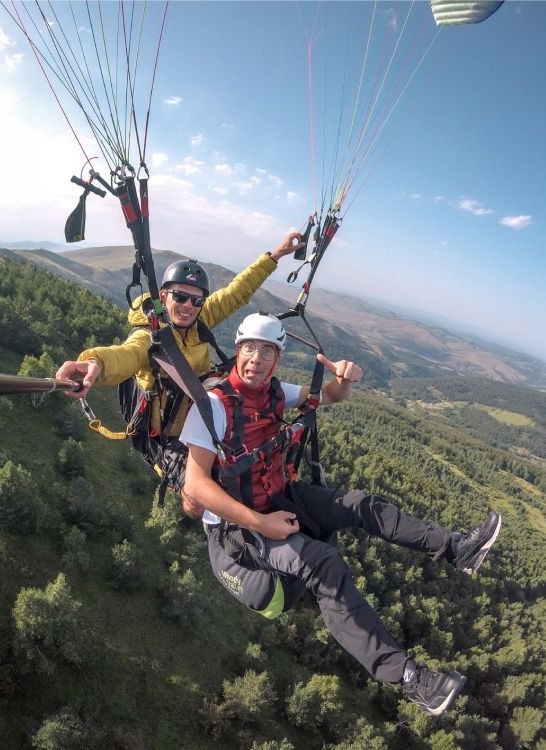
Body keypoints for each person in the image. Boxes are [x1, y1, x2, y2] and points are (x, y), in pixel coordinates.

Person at [180, 312, 502, 716]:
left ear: (276, 360)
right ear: (238, 350)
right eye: (249, 349)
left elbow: (330, 396)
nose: (256, 359)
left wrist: (345, 379)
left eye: (268, 352)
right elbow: (195, 485)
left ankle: (457, 549)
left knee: (360, 504)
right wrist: (261, 524)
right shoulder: (213, 405)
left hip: (279, 495)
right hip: (240, 528)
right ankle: (409, 678)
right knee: (324, 563)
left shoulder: (274, 393)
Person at [55, 233, 304, 489]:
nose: (188, 306)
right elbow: (127, 355)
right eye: (180, 297)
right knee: (204, 494)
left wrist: (275, 256)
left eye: (197, 300)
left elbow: (235, 294)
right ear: (163, 297)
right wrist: (94, 361)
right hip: (168, 438)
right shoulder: (151, 336)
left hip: (202, 417)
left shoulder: (198, 319)